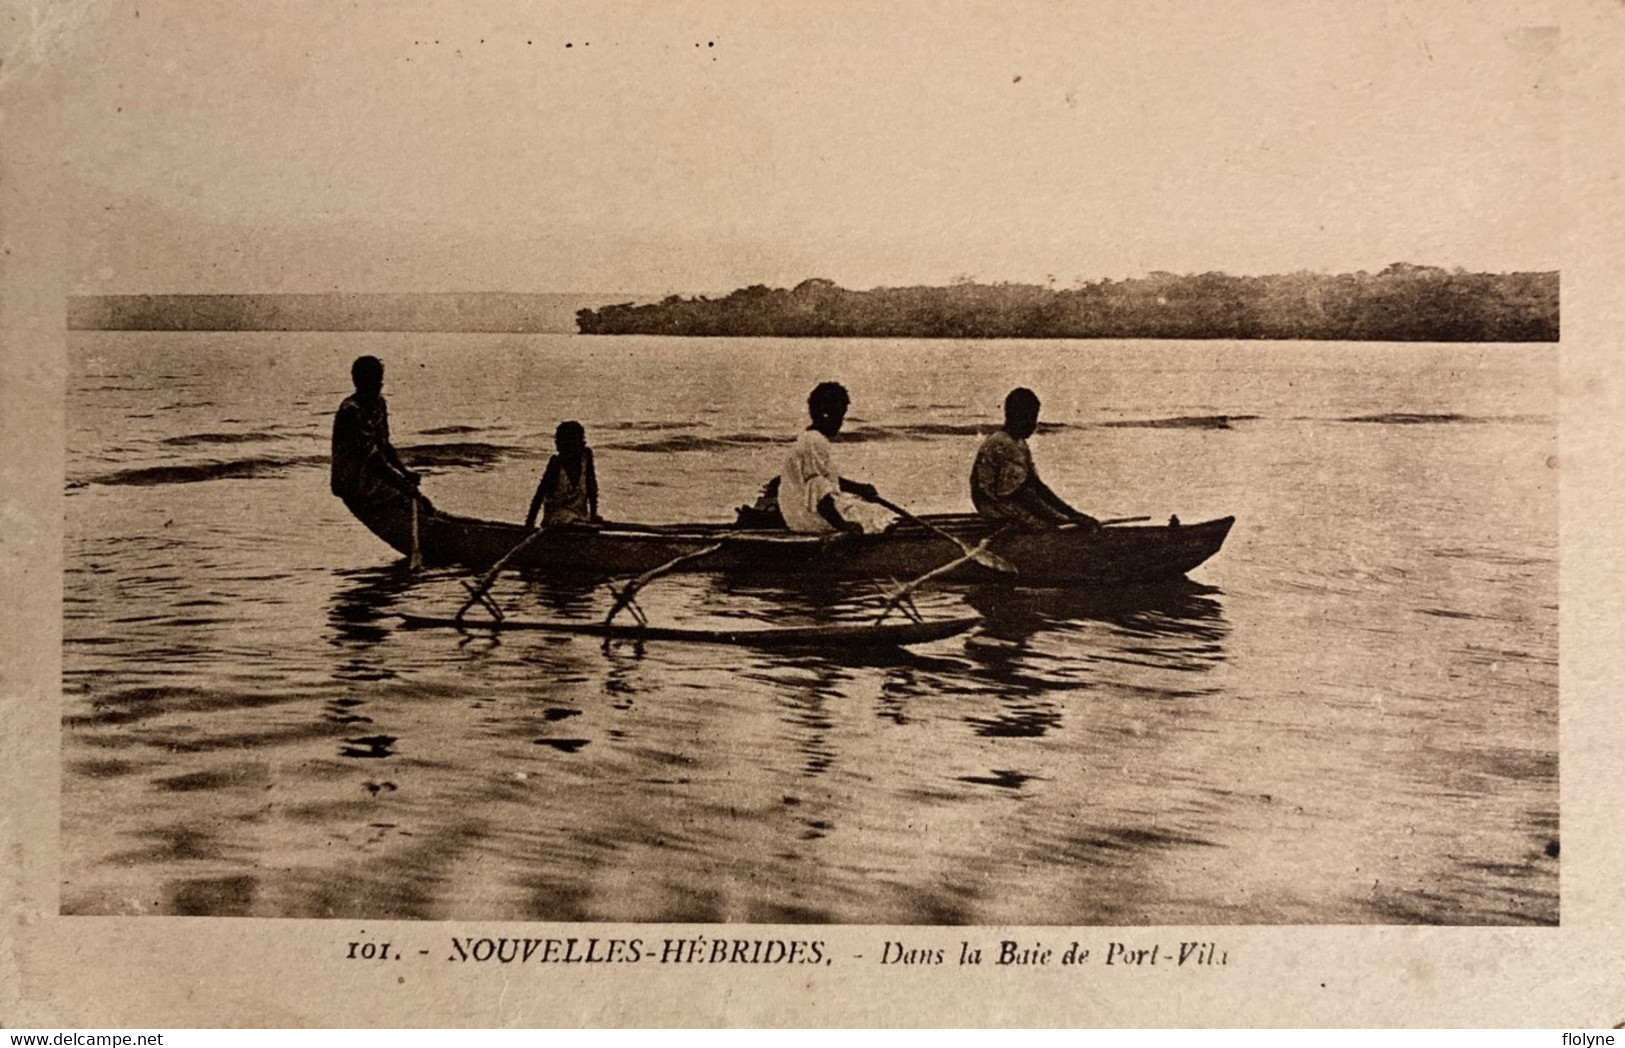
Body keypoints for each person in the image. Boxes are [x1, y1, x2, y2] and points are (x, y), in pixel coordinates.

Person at [971, 387, 1098, 530]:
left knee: (1062, 521)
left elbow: (1036, 485)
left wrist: (1072, 513)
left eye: (1034, 418)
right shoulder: (1003, 443)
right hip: (995, 507)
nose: (1033, 424)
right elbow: (1022, 493)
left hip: (1007, 501)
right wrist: (1059, 518)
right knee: (1050, 527)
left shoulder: (1019, 443)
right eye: (1027, 418)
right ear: (1012, 416)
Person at [778, 382, 894, 534]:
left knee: (868, 509)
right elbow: (818, 488)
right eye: (839, 416)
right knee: (878, 515)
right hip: (809, 517)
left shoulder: (810, 438)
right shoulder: (815, 441)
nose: (840, 423)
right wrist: (843, 526)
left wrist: (859, 489)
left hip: (797, 515)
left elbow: (827, 480)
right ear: (826, 414)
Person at [331, 355, 429, 512]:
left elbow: (384, 445)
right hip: (351, 481)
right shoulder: (350, 411)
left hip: (370, 475)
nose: (378, 387)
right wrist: (402, 483)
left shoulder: (379, 403)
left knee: (420, 502)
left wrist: (405, 472)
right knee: (406, 500)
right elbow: (373, 459)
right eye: (371, 383)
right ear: (358, 383)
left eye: (379, 381)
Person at [525, 420, 600, 529]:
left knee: (586, 528)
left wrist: (593, 515)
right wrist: (529, 525)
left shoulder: (586, 458)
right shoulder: (555, 464)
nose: (558, 447)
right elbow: (539, 496)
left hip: (581, 517)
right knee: (576, 526)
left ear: (578, 444)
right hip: (558, 519)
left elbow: (592, 489)